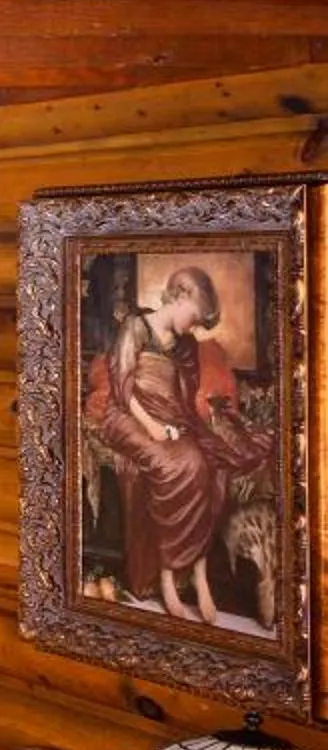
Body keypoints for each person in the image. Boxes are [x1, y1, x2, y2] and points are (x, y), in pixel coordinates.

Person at [90, 264, 273, 626]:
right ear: (181, 296)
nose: (195, 327)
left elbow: (183, 398)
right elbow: (123, 386)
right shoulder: (136, 327)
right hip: (129, 415)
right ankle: (167, 578)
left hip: (171, 417)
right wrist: (153, 426)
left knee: (212, 461)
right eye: (195, 317)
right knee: (180, 465)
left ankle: (200, 576)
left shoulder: (185, 345)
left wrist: (188, 426)